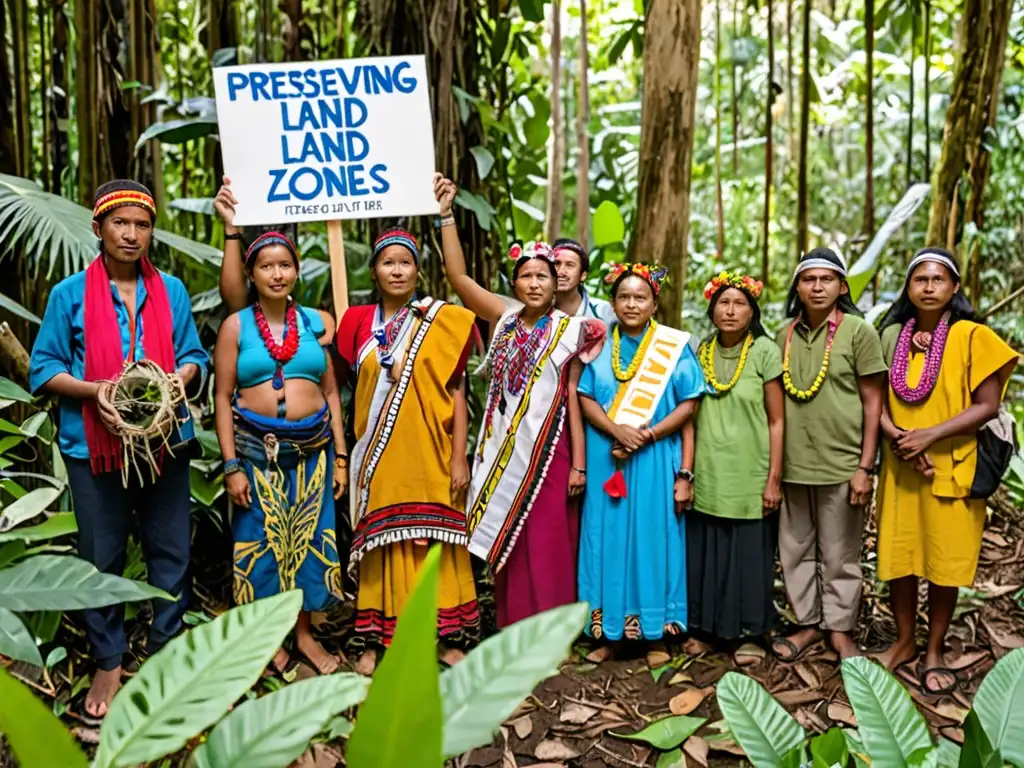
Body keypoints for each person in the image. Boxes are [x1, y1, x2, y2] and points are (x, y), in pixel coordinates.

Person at [29, 180, 207, 723]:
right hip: (95, 447)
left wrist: (178, 380)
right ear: (99, 228)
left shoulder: (171, 290)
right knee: (101, 555)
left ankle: (164, 648)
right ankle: (108, 659)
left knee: (170, 549)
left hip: (165, 444)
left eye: (142, 225)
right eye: (121, 223)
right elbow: (45, 369)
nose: (132, 235)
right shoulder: (68, 296)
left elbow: (194, 353)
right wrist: (97, 392)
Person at [434, 174, 604, 627]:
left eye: (542, 276)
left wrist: (580, 464)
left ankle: (550, 633)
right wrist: (447, 214)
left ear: (556, 284)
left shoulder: (574, 332)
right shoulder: (503, 317)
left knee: (548, 540)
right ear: (515, 282)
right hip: (501, 450)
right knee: (510, 535)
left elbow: (574, 394)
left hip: (551, 451)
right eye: (525, 276)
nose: (534, 283)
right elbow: (458, 277)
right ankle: (513, 626)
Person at [335, 228, 480, 676]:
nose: (397, 270)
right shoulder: (354, 322)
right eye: (387, 262)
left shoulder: (444, 320)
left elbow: (457, 392)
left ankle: (439, 637)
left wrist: (459, 457)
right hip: (378, 455)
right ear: (374, 271)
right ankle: (378, 640)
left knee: (434, 540)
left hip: (432, 451)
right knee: (382, 543)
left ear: (419, 270)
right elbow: (348, 388)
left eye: (405, 262)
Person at [874, 248, 1018, 694]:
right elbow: (872, 398)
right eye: (920, 279)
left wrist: (928, 437)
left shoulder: (974, 336)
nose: (929, 286)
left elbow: (988, 405)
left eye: (938, 279)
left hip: (952, 466)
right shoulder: (893, 335)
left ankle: (934, 648)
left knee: (943, 562)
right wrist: (899, 437)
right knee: (901, 558)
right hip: (902, 468)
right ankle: (903, 642)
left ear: (954, 287)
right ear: (909, 287)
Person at [214, 230, 347, 676]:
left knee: (310, 544)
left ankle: (305, 635)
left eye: (284, 265)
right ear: (251, 274)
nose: (276, 273)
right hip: (256, 454)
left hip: (314, 452)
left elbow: (330, 391)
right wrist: (231, 465)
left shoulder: (315, 322)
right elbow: (221, 397)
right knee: (260, 544)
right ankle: (266, 638)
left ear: (296, 271)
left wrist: (341, 457)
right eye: (266, 266)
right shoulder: (236, 326)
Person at [576, 263, 704, 660]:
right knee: (606, 539)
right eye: (624, 297)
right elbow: (584, 396)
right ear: (613, 302)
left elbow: (689, 403)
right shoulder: (598, 345)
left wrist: (647, 434)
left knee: (652, 539)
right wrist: (618, 431)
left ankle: (653, 632)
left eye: (640, 297)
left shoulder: (673, 347)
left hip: (652, 456)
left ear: (654, 303)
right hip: (607, 456)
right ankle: (608, 631)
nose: (631, 304)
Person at [771, 247, 886, 661]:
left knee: (840, 553)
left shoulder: (858, 331)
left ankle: (839, 630)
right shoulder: (783, 333)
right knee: (795, 550)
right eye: (808, 279)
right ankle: (807, 624)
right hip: (792, 466)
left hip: (842, 464)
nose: (817, 287)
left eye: (826, 279)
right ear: (798, 287)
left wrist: (864, 467)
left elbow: (874, 402)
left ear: (841, 286)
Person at [689, 272, 784, 642]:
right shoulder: (701, 351)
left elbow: (777, 420)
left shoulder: (764, 351)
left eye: (739, 303)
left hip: (751, 471)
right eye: (723, 303)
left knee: (748, 554)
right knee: (708, 551)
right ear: (712, 310)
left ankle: (751, 632)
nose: (730, 311)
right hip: (709, 469)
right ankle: (707, 627)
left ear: (752, 310)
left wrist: (773, 478)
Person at [499, 236, 615, 325]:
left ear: (583, 275)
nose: (561, 271)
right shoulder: (533, 312)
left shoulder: (603, 312)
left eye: (570, 265)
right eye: (556, 264)